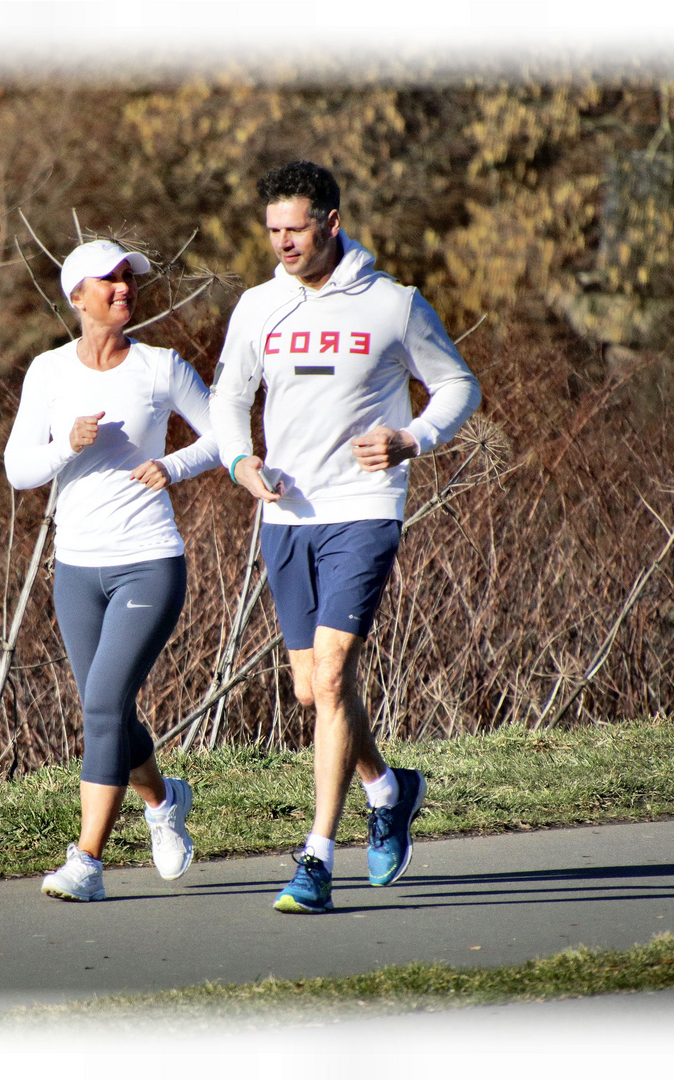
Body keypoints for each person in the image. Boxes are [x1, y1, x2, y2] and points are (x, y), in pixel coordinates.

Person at [209, 161, 481, 913]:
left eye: (296, 228)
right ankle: (390, 791)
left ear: (331, 221)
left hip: (364, 505)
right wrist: (239, 462)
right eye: (272, 231)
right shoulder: (258, 307)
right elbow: (228, 399)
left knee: (331, 678)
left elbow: (458, 384)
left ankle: (317, 859)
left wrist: (412, 437)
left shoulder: (393, 305)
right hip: (285, 513)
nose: (283, 243)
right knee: (311, 688)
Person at [4, 239, 221, 901]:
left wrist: (174, 465)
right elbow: (18, 472)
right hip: (76, 570)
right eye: (111, 283)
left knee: (100, 705)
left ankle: (87, 862)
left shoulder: (160, 368)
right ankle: (163, 802)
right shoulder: (47, 372)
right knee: (111, 711)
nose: (124, 291)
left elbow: (226, 437)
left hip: (148, 563)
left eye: (129, 281)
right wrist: (64, 448)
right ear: (77, 297)